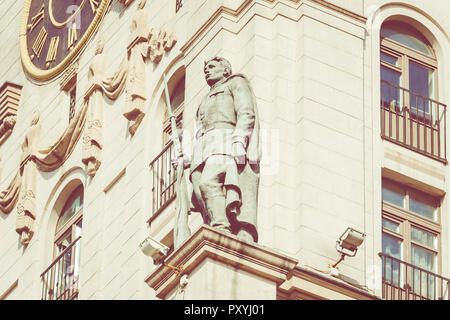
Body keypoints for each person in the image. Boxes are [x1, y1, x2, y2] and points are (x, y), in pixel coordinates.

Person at [187, 56, 261, 242]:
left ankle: (222, 229)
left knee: (208, 182)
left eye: (212, 67)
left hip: (223, 139)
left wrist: (239, 140)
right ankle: (215, 225)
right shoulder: (205, 98)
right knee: (199, 190)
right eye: (206, 68)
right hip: (202, 146)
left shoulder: (235, 82)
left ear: (225, 70)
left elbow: (246, 111)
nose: (207, 70)